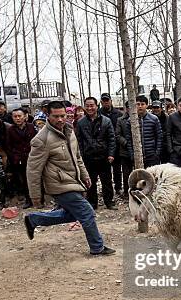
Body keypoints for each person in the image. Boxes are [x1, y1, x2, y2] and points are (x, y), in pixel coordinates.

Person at [24, 101, 115, 256]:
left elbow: (77, 156)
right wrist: (35, 196)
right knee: (87, 212)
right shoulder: (42, 139)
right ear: (48, 116)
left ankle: (34, 220)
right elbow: (33, 170)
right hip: (58, 184)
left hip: (73, 181)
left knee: (73, 214)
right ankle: (97, 247)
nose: (60, 119)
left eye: (63, 116)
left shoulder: (70, 131)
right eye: (56, 116)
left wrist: (85, 175)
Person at [76, 97, 117, 210]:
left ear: (96, 106)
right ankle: (92, 203)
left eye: (92, 105)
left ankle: (109, 202)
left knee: (107, 181)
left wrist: (111, 154)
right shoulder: (80, 122)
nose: (90, 108)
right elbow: (78, 141)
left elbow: (111, 139)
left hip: (104, 156)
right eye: (87, 106)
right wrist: (81, 156)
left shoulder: (106, 121)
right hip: (88, 157)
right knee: (90, 182)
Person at [5, 108, 37, 208]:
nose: (18, 118)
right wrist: (14, 157)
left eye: (19, 116)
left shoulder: (31, 127)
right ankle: (28, 200)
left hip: (33, 157)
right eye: (15, 116)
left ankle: (38, 199)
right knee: (24, 181)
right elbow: (9, 146)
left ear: (25, 116)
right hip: (19, 160)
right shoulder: (10, 129)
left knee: (35, 179)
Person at [125, 95, 163, 167]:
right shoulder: (130, 121)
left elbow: (159, 137)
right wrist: (132, 154)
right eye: (138, 104)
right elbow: (129, 139)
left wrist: (157, 153)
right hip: (137, 156)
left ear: (146, 105)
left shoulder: (154, 119)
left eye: (142, 104)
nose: (140, 106)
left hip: (152, 155)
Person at [114, 101, 134, 197]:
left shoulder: (140, 118)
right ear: (126, 108)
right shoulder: (120, 120)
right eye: (129, 107)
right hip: (125, 152)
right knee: (126, 173)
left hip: (138, 151)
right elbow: (117, 135)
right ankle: (127, 192)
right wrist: (127, 143)